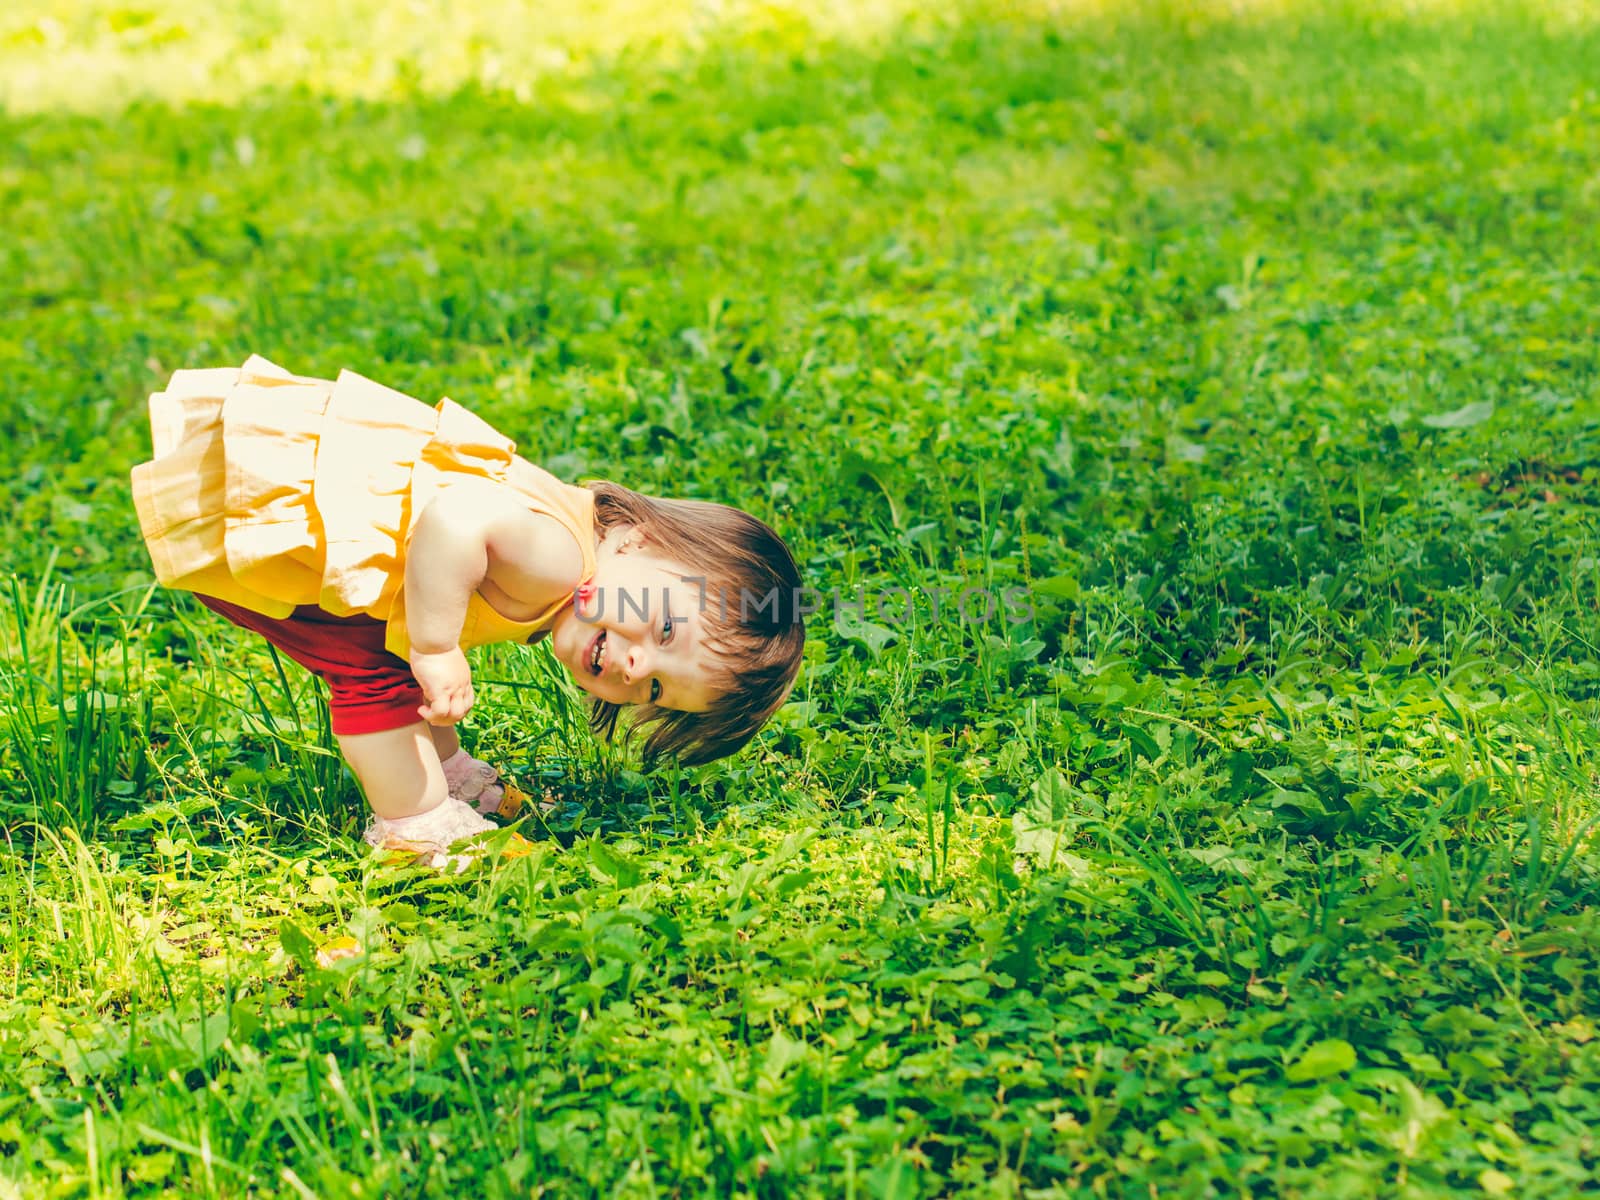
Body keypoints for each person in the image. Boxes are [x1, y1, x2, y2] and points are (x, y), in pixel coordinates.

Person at [131, 356, 805, 868]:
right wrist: (434, 645)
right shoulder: (562, 561)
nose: (634, 667)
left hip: (328, 546)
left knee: (393, 656)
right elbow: (454, 516)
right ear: (639, 540)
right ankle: (417, 822)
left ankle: (442, 770)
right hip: (306, 534)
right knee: (384, 674)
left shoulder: (580, 558)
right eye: (663, 628)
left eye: (656, 688)